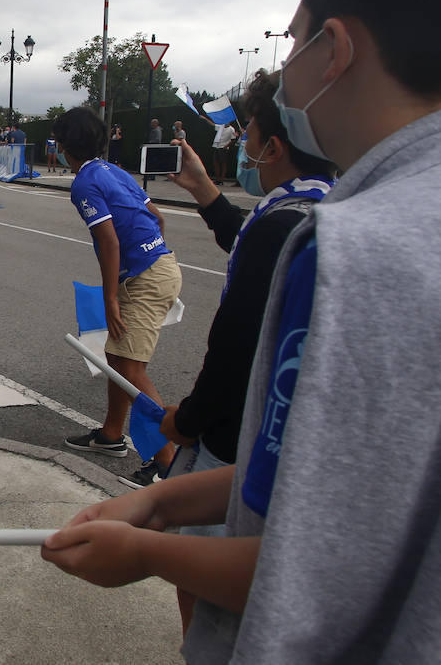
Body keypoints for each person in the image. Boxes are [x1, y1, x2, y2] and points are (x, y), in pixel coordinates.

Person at [42, 0, 441, 664]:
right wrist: (167, 505)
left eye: (291, 41)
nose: (283, 71)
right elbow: (324, 479)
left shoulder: (366, 250)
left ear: (335, 50)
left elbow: (314, 566)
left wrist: (143, 551)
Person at [159, 68, 335, 633]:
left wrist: (186, 421)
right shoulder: (322, 207)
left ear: (275, 148)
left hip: (236, 440)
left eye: (250, 139)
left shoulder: (276, 229)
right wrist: (205, 192)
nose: (244, 150)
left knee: (204, 586)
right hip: (294, 438)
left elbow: (233, 349)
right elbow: (255, 240)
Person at [54, 106, 182, 488]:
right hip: (160, 267)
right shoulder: (114, 171)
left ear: (66, 146)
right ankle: (112, 435)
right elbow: (157, 217)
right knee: (116, 357)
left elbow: (108, 242)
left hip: (144, 279)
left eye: (59, 142)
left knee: (131, 370)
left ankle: (167, 464)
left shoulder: (84, 184)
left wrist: (111, 297)